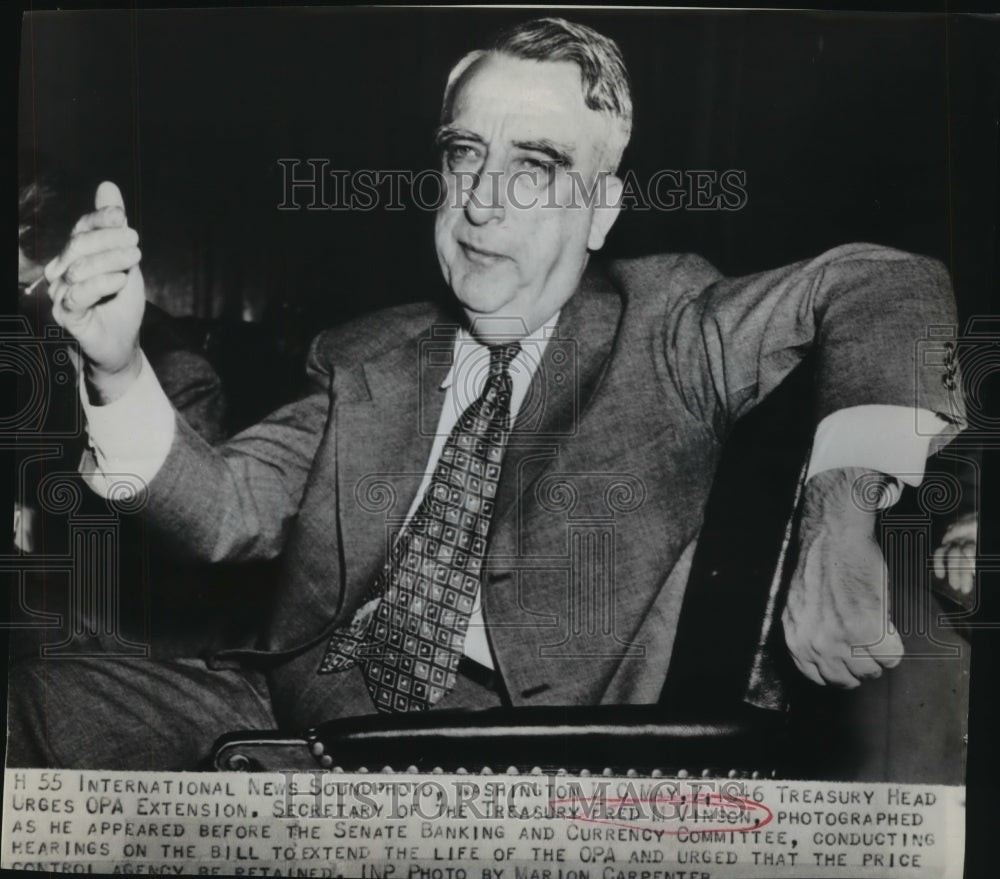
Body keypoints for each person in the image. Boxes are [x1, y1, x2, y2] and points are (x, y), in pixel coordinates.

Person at [8, 17, 966, 771]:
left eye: (534, 168)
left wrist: (844, 517)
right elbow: (222, 508)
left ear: (601, 210)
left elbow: (891, 283)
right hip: (286, 708)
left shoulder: (673, 324)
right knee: (50, 690)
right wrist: (118, 364)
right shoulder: (368, 352)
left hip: (500, 758)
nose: (482, 201)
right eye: (466, 155)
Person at [12, 169, 229, 656]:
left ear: (73, 270)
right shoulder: (32, 350)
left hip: (122, 636)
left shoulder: (178, 372)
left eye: (23, 292)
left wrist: (34, 532)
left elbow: (168, 561)